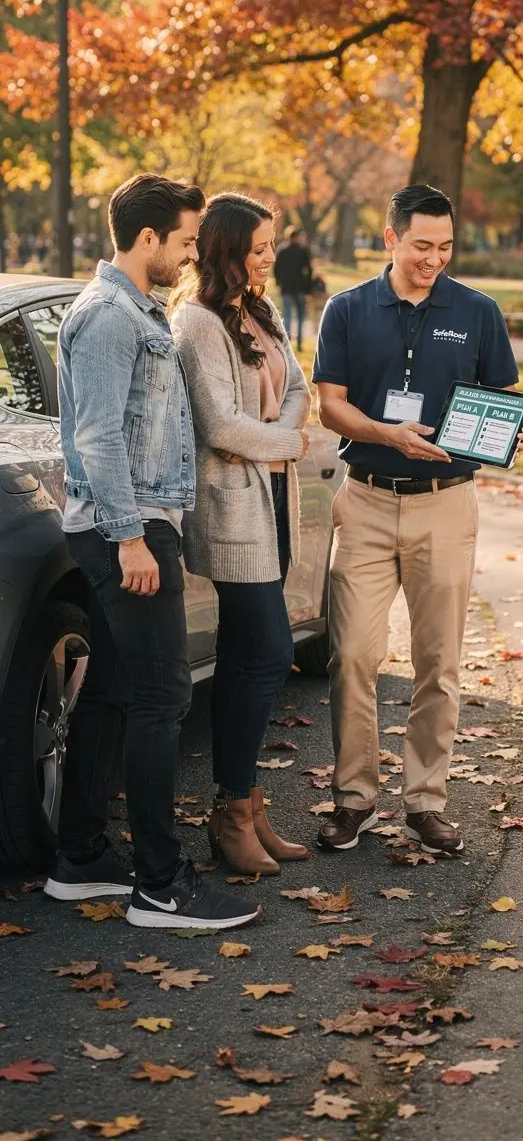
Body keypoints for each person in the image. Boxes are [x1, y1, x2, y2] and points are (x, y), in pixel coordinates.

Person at [46, 173, 260, 932]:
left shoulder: (134, 310)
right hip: (128, 529)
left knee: (109, 692)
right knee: (161, 697)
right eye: (184, 240)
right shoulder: (108, 316)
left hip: (132, 521)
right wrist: (132, 535)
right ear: (147, 241)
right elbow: (98, 436)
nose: (192, 253)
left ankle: (81, 858)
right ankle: (160, 887)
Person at [312, 184, 523, 857]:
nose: (432, 260)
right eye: (420, 246)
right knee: (352, 653)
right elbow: (330, 406)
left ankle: (425, 803)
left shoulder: (478, 311)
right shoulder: (347, 310)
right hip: (368, 500)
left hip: (447, 504)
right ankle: (354, 799)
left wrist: (510, 432)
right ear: (391, 239)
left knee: (437, 662)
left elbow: (496, 398)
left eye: (444, 247)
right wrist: (388, 435)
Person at [171, 194, 311, 876]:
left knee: (247, 655)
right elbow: (219, 427)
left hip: (270, 498)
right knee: (266, 651)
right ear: (226, 248)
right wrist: (283, 442)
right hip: (229, 508)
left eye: (271, 246)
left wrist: (271, 443)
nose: (268, 258)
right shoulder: (197, 322)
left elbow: (300, 388)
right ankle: (229, 812)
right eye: (258, 248)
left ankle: (248, 806)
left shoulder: (257, 310)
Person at [273, 224, 312, 352]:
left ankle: (287, 342)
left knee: (288, 315)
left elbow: (276, 268)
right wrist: (308, 288)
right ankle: (299, 342)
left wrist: (279, 282)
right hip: (300, 288)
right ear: (296, 237)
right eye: (301, 237)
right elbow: (308, 270)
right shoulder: (303, 251)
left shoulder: (282, 250)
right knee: (301, 316)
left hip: (286, 287)